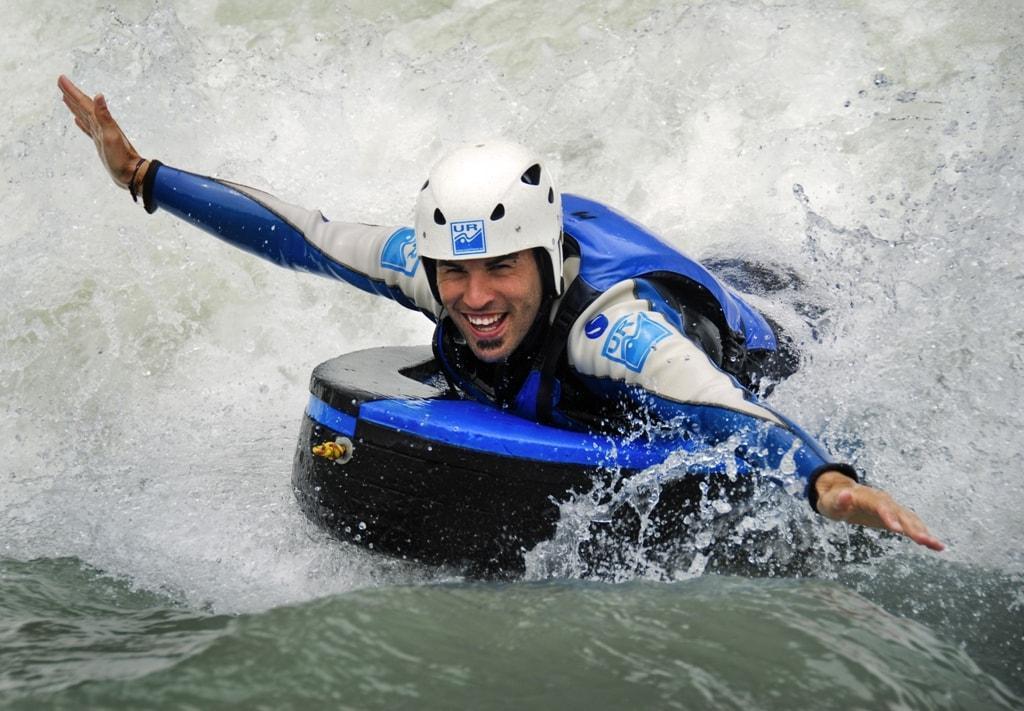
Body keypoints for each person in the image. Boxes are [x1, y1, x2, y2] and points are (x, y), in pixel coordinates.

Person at [57, 75, 944, 552]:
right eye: (455, 275)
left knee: (756, 342)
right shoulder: (433, 269)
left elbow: (721, 405)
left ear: (541, 263)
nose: (474, 301)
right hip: (643, 259)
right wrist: (143, 177)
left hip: (772, 325)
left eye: (500, 273)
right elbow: (306, 234)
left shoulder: (612, 330)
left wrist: (825, 480)